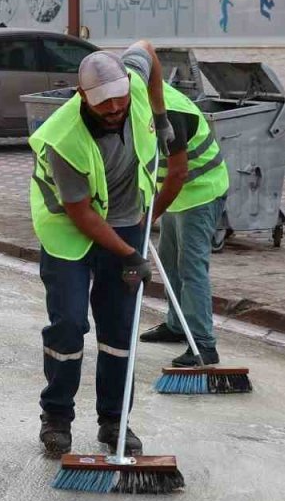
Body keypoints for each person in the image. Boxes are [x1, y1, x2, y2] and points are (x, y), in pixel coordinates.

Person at [29, 43, 188, 458]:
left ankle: (115, 419)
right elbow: (82, 215)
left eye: (121, 98)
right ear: (82, 96)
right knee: (68, 324)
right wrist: (131, 254)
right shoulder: (63, 138)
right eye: (105, 104)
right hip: (69, 231)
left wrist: (159, 115)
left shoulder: (130, 83)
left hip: (123, 221)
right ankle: (57, 417)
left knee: (119, 327)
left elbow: (148, 52)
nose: (117, 108)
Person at [137, 53, 231, 366]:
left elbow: (177, 172)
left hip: (202, 191)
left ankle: (204, 344)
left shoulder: (171, 112)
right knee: (170, 263)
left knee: (191, 268)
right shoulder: (138, 98)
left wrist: (150, 214)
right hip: (176, 194)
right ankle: (177, 326)